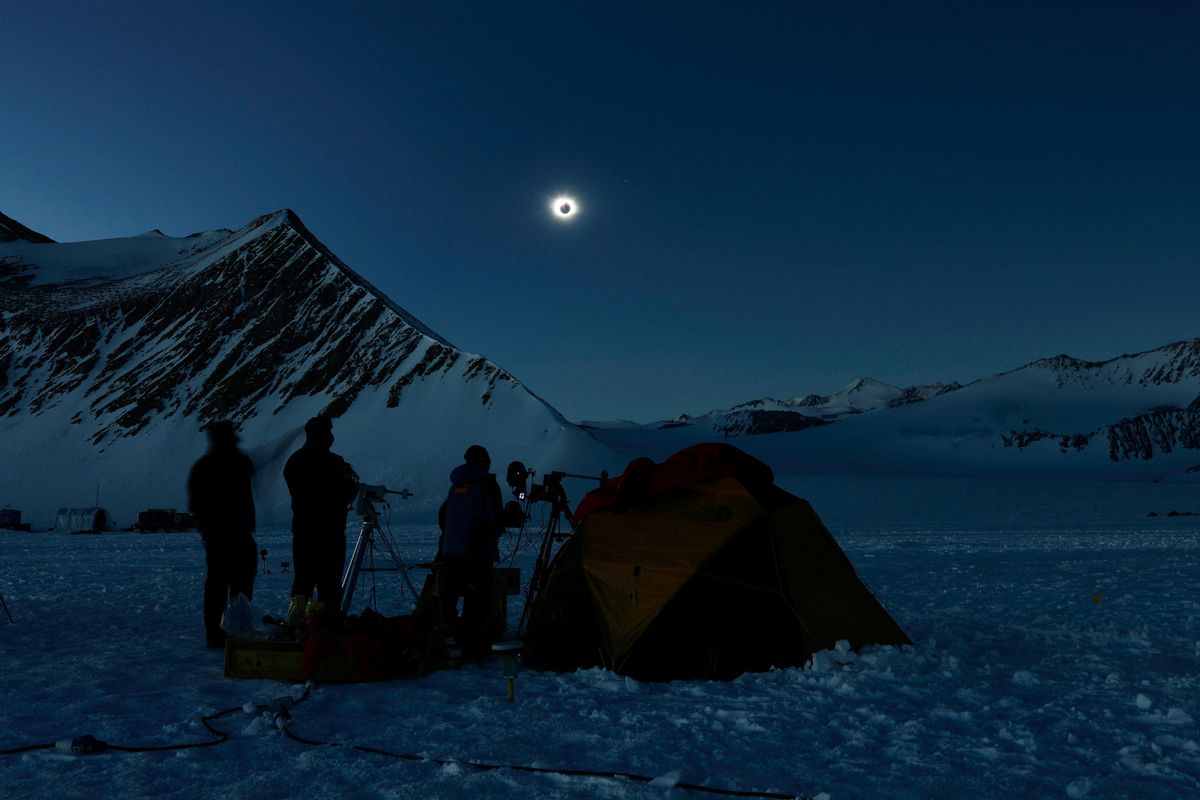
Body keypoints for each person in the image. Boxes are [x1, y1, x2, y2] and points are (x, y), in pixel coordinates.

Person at [187, 420, 257, 650]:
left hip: (219, 538)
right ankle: (234, 631)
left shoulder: (203, 467)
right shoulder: (237, 462)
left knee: (220, 587)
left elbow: (195, 505)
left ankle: (218, 633)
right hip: (231, 536)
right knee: (237, 586)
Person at [284, 415, 359, 620]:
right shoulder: (333, 463)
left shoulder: (295, 461)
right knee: (329, 585)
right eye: (328, 433)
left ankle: (297, 625)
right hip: (329, 533)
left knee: (303, 583)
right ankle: (328, 627)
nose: (331, 437)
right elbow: (345, 492)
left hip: (305, 532)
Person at [437, 444, 504, 656]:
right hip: (476, 550)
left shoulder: (456, 484)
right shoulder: (486, 483)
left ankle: (447, 634)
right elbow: (496, 516)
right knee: (478, 595)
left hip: (450, 549)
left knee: (450, 593)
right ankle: (473, 641)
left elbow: (443, 514)